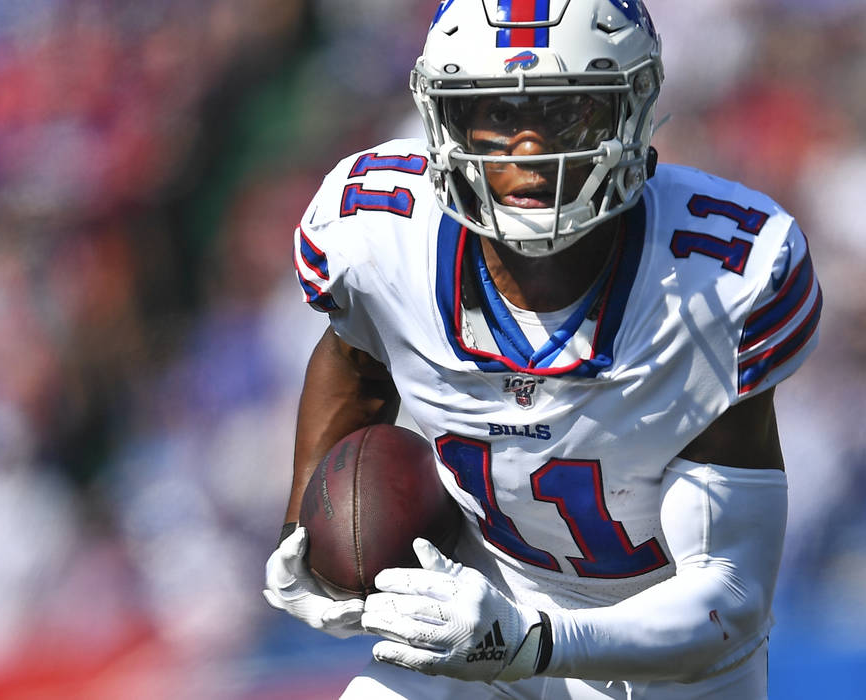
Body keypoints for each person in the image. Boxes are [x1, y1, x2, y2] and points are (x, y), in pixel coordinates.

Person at [264, 0, 822, 698]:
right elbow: (354, 353)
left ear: (631, 109)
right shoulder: (379, 235)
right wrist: (302, 524)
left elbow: (727, 603)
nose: (530, 150)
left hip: (665, 663)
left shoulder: (719, 281)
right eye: (498, 113)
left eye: (565, 112)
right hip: (479, 606)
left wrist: (530, 639)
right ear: (447, 118)